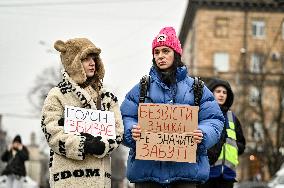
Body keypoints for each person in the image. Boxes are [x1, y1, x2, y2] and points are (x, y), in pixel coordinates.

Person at [120, 26, 224, 188]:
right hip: (147, 175)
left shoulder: (197, 88)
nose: (160, 56)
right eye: (157, 52)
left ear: (176, 54)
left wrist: (203, 134)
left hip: (185, 174)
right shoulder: (142, 88)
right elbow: (124, 117)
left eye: (165, 51)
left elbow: (214, 120)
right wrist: (131, 130)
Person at [41, 38, 124, 188]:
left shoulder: (107, 98)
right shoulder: (56, 95)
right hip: (67, 179)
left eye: (94, 58)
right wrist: (82, 144)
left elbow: (118, 132)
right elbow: (51, 132)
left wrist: (102, 146)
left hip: (99, 179)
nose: (92, 63)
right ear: (73, 63)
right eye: (85, 59)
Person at [198, 78, 246, 188]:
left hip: (227, 175)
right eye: (218, 91)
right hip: (207, 173)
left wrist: (233, 146)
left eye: (224, 92)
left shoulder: (232, 118)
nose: (222, 95)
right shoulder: (202, 114)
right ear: (211, 93)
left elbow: (242, 144)